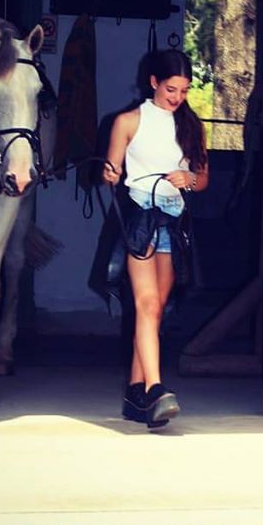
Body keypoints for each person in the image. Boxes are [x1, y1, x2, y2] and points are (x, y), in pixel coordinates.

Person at [102, 49, 209, 428]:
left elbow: (203, 179)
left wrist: (189, 180)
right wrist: (110, 173)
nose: (177, 97)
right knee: (146, 304)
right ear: (153, 83)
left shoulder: (191, 126)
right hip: (140, 219)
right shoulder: (128, 122)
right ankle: (156, 389)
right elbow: (112, 169)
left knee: (156, 310)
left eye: (184, 90)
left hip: (174, 222)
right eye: (170, 89)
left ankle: (135, 394)